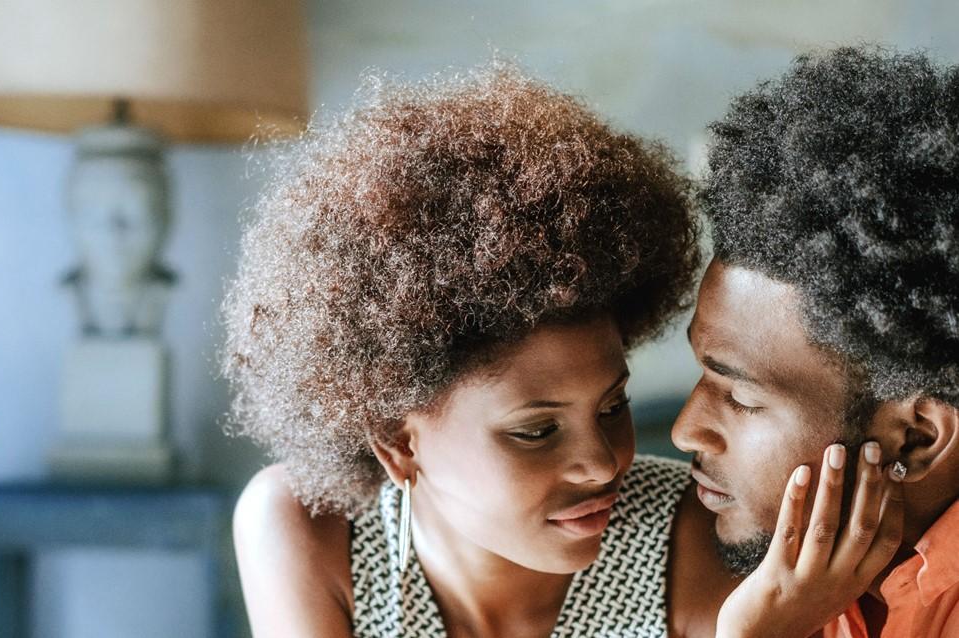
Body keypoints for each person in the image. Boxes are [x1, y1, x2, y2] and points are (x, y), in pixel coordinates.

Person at [222, 64, 705, 637]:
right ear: (398, 443)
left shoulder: (693, 537)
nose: (602, 464)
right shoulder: (306, 528)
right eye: (537, 430)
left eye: (611, 407)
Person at [678, 45, 959, 637]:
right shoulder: (786, 574)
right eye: (704, 377)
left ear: (916, 437)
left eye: (743, 398)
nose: (684, 430)